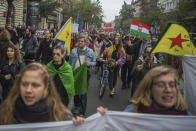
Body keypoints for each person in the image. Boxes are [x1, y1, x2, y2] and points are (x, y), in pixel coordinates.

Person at [0, 63, 84, 125]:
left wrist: (76, 127)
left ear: (46, 87)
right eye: (24, 84)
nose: (28, 90)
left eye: (35, 85)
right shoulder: (5, 113)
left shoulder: (61, 116)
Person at [97, 65, 188, 115]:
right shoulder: (135, 110)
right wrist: (107, 118)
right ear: (149, 88)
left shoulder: (187, 117)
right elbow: (118, 124)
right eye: (161, 85)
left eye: (172, 85)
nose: (168, 90)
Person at [69, 35, 96, 116]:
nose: (80, 43)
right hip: (75, 74)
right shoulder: (73, 51)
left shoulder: (90, 51)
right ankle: (76, 107)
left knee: (83, 93)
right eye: (79, 41)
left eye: (82, 41)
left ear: (85, 43)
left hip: (85, 74)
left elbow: (95, 62)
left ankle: (82, 111)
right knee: (76, 91)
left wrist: (90, 63)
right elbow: (70, 63)